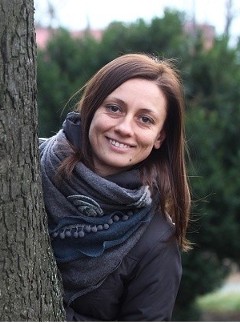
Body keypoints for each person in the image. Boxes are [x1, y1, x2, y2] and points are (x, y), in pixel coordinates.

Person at [39, 53, 191, 321]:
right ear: (91, 109)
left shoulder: (157, 242)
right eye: (114, 108)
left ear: (159, 137)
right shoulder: (26, 167)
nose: (124, 128)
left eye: (145, 119)